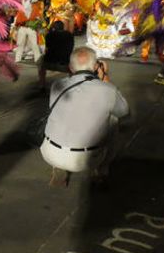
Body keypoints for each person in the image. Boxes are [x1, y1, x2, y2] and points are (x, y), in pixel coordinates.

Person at [40, 46, 129, 187]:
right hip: (86, 159)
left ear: (70, 67)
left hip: (49, 153)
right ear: (95, 67)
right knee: (114, 120)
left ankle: (59, 167)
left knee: (67, 112)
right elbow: (124, 111)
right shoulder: (108, 90)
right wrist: (105, 77)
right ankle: (101, 169)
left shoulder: (57, 85)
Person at [37, 20, 74, 89]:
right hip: (65, 63)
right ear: (63, 27)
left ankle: (42, 84)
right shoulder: (69, 35)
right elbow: (71, 48)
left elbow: (47, 49)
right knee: (73, 63)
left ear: (53, 28)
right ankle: (73, 84)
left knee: (39, 62)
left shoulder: (49, 35)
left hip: (50, 62)